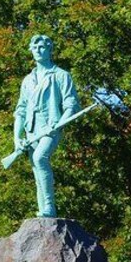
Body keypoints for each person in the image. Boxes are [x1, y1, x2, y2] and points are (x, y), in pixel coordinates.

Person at [13, 35, 80, 218]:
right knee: (36, 168)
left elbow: (71, 105)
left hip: (51, 127)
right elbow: (20, 110)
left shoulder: (61, 75)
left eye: (43, 47)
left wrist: (58, 124)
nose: (39, 50)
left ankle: (49, 206)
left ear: (50, 50)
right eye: (35, 47)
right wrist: (17, 138)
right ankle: (43, 210)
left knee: (40, 158)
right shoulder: (28, 80)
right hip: (31, 130)